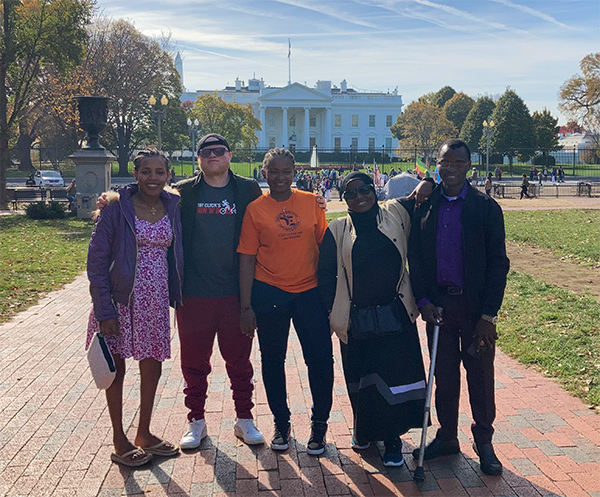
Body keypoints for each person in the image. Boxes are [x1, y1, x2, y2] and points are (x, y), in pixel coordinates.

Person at [409, 139, 510, 476]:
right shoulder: (424, 204)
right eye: (443, 162)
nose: (449, 168)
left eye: (457, 162)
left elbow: (499, 264)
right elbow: (416, 258)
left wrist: (487, 315)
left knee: (480, 377)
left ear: (469, 166)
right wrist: (422, 300)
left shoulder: (485, 207)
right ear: (435, 164)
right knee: (445, 376)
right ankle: (447, 437)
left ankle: (484, 442)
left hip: (474, 307)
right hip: (439, 306)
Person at [318, 172, 430, 467]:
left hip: (394, 313)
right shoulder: (337, 229)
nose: (360, 196)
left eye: (365, 189)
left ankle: (393, 439)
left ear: (375, 189)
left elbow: (426, 189)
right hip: (356, 318)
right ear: (344, 199)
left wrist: (425, 183)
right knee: (361, 380)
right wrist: (331, 311)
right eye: (351, 193)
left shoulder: (395, 212)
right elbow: (325, 275)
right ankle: (365, 430)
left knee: (393, 379)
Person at [86, 149, 184, 467]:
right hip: (120, 300)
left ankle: (144, 433)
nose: (152, 177)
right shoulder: (117, 208)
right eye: (146, 171)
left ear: (168, 175)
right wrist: (104, 312)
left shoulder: (173, 205)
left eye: (159, 171)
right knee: (117, 370)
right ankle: (119, 438)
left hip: (154, 303)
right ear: (136, 172)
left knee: (152, 366)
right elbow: (97, 261)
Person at [238, 148, 334, 455]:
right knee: (273, 360)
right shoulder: (255, 209)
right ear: (263, 174)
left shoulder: (310, 202)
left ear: (295, 173)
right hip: (270, 293)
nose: (280, 178)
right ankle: (282, 422)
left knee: (319, 359)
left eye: (286, 172)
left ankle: (320, 425)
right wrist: (246, 306)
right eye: (274, 172)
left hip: (310, 292)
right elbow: (247, 260)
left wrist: (333, 298)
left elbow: (327, 248)